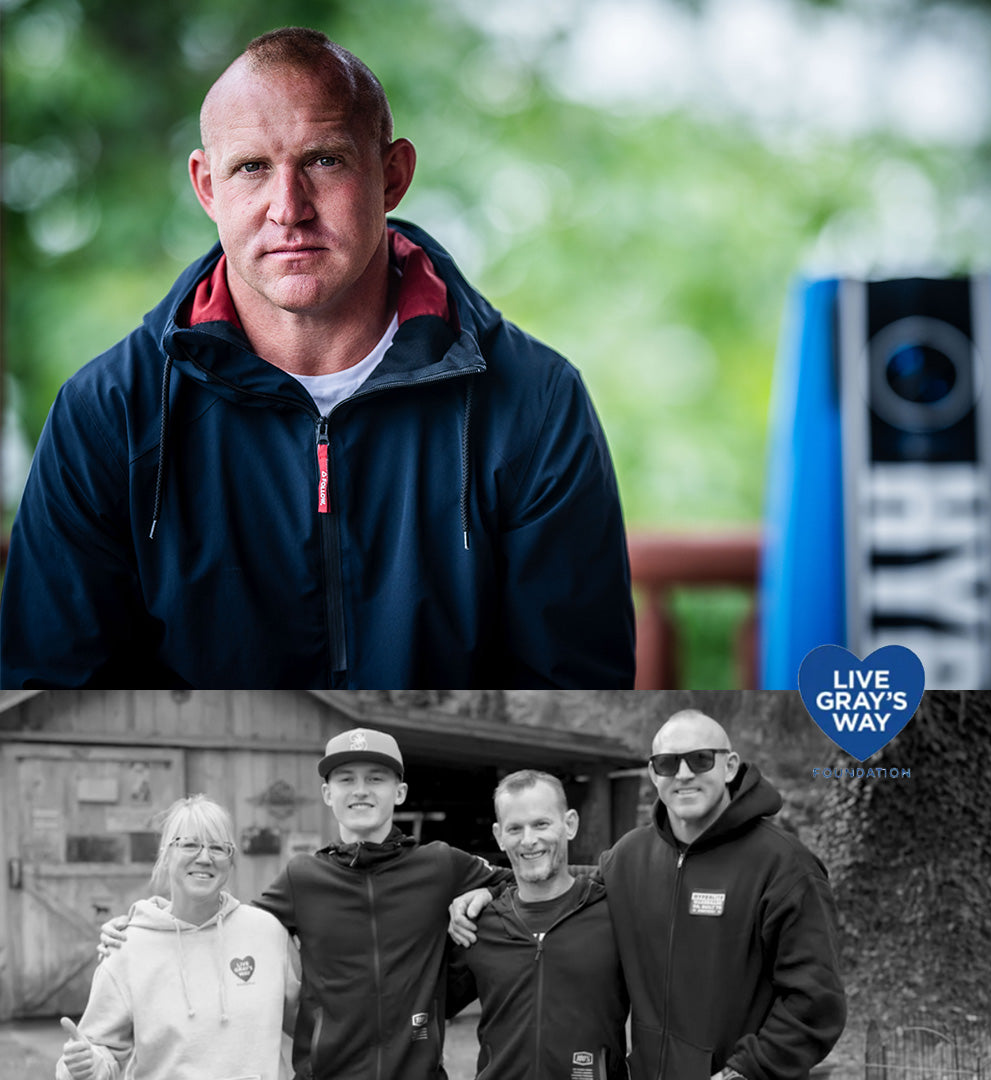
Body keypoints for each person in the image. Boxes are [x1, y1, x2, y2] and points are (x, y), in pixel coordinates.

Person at [0, 26, 635, 690]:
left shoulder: (535, 402)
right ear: (207, 186)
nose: (288, 209)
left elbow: (572, 695)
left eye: (324, 160)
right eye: (251, 168)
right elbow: (56, 701)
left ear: (393, 176)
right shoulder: (109, 414)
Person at [452, 710, 846, 1080]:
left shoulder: (785, 865)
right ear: (653, 774)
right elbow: (556, 879)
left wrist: (745, 1072)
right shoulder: (629, 857)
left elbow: (815, 1003)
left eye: (701, 759)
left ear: (730, 766)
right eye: (668, 763)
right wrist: (493, 890)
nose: (684, 774)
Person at [100, 727, 511, 1080]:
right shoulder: (303, 878)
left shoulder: (439, 864)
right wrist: (150, 922)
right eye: (346, 779)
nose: (361, 790)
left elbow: (529, 884)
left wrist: (485, 891)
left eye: (376, 779)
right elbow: (223, 923)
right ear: (327, 794)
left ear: (399, 791)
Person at [58, 794, 298, 1080]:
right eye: (190, 845)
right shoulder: (127, 946)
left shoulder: (268, 932)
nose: (205, 857)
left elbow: (310, 1027)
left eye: (218, 848)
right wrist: (86, 1064)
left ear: (231, 860)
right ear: (166, 853)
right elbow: (100, 1050)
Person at [447, 770, 628, 1080]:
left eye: (541, 824)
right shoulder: (479, 924)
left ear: (570, 824)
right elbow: (426, 1004)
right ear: (498, 835)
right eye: (515, 828)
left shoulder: (616, 915)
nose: (529, 840)